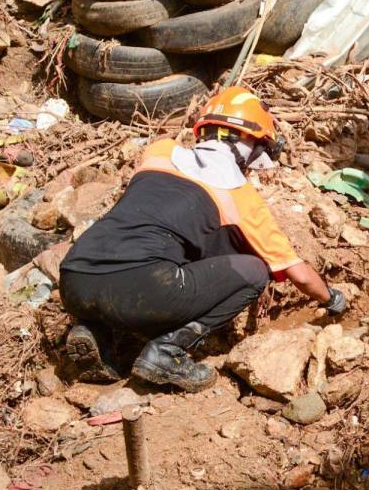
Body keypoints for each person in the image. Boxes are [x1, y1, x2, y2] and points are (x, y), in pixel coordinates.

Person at [59, 87, 348, 393]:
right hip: (145, 286)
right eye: (260, 147)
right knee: (254, 271)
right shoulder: (241, 197)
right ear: (247, 141)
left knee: (148, 253)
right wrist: (332, 299)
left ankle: (94, 329)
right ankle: (167, 352)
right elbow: (298, 274)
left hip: (75, 279)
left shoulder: (159, 152)